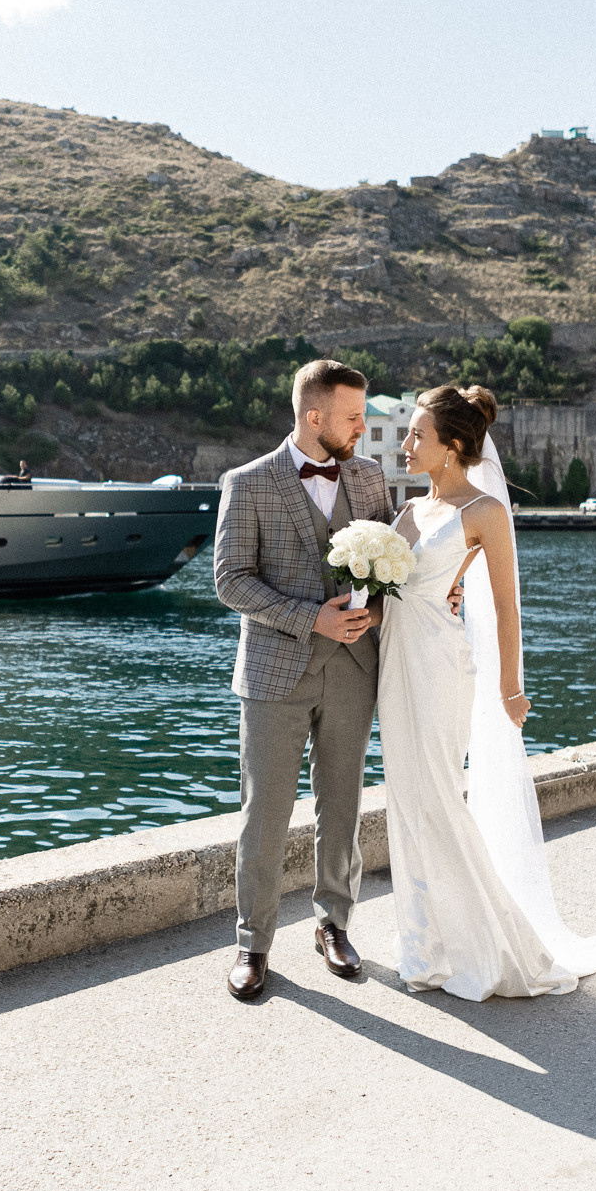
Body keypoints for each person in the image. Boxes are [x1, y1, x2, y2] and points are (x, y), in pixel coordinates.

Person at [376, 384, 596, 1000]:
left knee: (439, 798)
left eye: (418, 434)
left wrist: (510, 687)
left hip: (441, 665)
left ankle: (492, 945)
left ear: (451, 446)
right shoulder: (409, 511)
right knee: (406, 799)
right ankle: (425, 946)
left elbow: (506, 606)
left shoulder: (484, 512)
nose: (406, 443)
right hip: (396, 664)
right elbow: (390, 587)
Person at [212, 359, 392, 1001]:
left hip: (354, 670)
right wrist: (311, 617)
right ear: (314, 416)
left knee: (342, 805)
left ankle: (333, 924)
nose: (363, 427)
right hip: (274, 673)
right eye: (353, 416)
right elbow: (230, 580)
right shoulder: (247, 482)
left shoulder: (369, 479)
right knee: (264, 812)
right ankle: (252, 944)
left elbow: (387, 571)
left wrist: (378, 611)